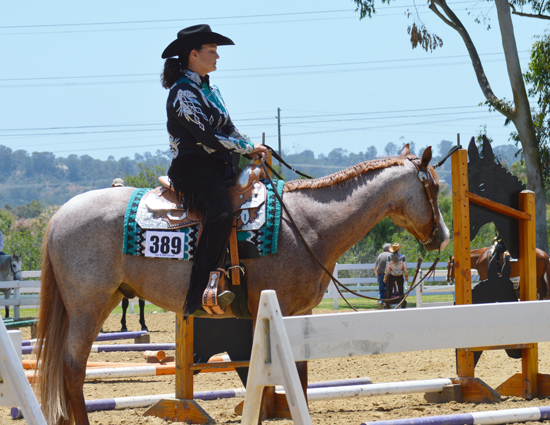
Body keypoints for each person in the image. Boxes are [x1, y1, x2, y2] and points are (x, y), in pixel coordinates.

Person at [160, 25, 268, 316]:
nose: (218, 56)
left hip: (219, 166)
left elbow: (229, 128)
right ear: (193, 55)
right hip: (193, 169)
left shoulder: (212, 89)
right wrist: (245, 149)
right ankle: (198, 296)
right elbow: (207, 136)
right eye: (212, 51)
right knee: (220, 213)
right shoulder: (183, 92)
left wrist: (251, 146)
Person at [383, 243, 409, 309]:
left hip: (392, 276)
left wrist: (385, 277)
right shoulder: (402, 257)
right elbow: (405, 267)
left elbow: (387, 268)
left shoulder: (389, 257)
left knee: (389, 291)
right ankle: (403, 305)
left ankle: (388, 305)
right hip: (400, 276)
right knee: (401, 291)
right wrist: (406, 275)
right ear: (398, 250)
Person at [374, 243, 391, 309]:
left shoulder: (380, 255)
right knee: (388, 290)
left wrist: (377, 275)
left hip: (380, 274)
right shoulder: (390, 255)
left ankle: (380, 301)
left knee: (381, 290)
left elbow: (375, 267)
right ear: (388, 249)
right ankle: (386, 303)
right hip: (388, 275)